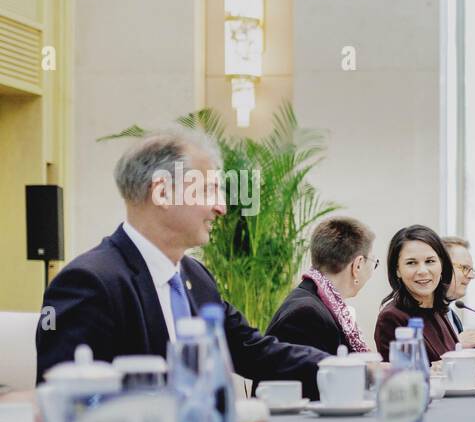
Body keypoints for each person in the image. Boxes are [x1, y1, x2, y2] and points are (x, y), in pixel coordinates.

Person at [35, 128, 324, 388]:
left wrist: (339, 367)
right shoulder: (90, 282)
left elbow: (252, 350)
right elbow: (67, 401)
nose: (221, 207)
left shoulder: (196, 277)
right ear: (162, 192)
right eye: (209, 189)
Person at [266, 216, 378, 357]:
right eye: (375, 262)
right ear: (358, 265)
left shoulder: (313, 303)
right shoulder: (306, 315)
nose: (373, 269)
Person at [373, 225, 458, 363]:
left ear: (442, 265)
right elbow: (400, 378)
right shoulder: (391, 318)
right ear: (397, 270)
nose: (423, 271)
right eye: (411, 263)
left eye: (430, 261)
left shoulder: (438, 309)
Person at [441, 235, 475, 350]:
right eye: (465, 268)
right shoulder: (420, 316)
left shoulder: (451, 314)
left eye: (472, 270)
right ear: (442, 267)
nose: (471, 276)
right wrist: (457, 344)